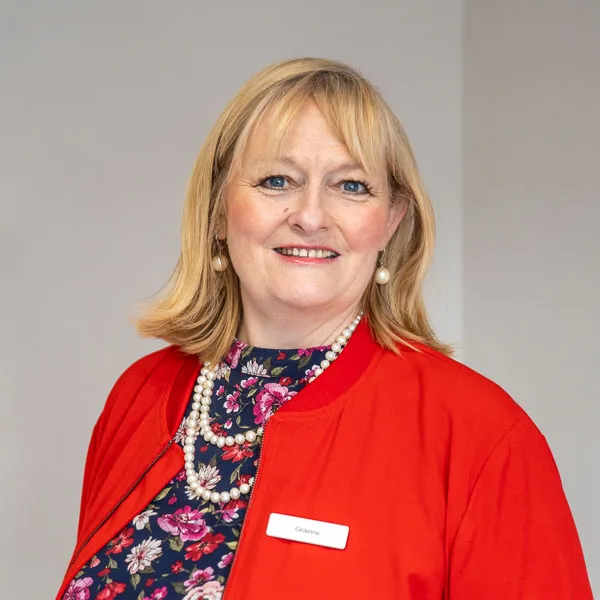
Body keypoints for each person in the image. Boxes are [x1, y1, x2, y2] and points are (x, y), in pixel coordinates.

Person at [56, 58, 593, 600]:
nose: (310, 215)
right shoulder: (140, 396)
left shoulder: (478, 434)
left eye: (352, 186)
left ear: (391, 219)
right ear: (219, 209)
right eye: (277, 180)